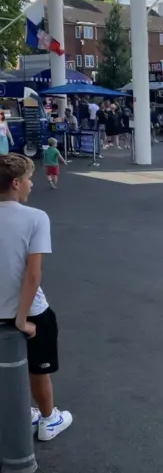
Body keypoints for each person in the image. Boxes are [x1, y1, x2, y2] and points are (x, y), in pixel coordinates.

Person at [0, 153, 73, 440]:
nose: (32, 185)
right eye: (30, 179)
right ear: (16, 183)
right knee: (38, 370)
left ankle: (18, 413)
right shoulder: (35, 218)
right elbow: (32, 275)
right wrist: (21, 320)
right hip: (30, 312)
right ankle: (47, 419)